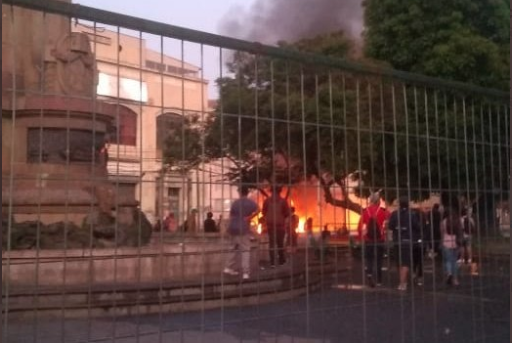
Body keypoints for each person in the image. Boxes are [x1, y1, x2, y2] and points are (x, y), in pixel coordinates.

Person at [223, 186, 259, 280]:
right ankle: (245, 273)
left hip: (233, 227)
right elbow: (258, 210)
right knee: (245, 250)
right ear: (247, 193)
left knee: (232, 248)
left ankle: (228, 267)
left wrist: (227, 228)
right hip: (243, 228)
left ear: (240, 193)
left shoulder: (235, 203)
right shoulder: (250, 202)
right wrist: (249, 217)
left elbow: (231, 216)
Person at [388, 196, 421, 291]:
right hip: (407, 240)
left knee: (399, 262)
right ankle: (402, 283)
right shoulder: (412, 214)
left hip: (397, 240)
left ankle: (403, 282)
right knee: (405, 262)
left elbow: (390, 226)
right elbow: (417, 226)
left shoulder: (394, 214)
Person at [357, 192, 389, 287]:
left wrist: (361, 237)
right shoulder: (383, 212)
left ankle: (370, 275)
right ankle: (379, 280)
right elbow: (390, 221)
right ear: (379, 201)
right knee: (379, 259)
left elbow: (359, 227)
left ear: (370, 201)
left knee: (369, 259)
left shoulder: (366, 212)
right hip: (380, 239)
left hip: (368, 239)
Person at [262, 185, 290, 267]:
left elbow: (264, 212)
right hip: (280, 226)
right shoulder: (283, 201)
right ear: (280, 191)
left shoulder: (267, 201)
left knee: (272, 244)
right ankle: (281, 261)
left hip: (270, 226)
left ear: (271, 191)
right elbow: (287, 214)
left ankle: (272, 263)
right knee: (280, 243)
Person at [441, 209, 463, 286]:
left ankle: (449, 273)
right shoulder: (458, 221)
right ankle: (455, 279)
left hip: (446, 242)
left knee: (448, 260)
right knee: (454, 260)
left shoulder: (444, 222)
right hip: (456, 241)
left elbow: (442, 232)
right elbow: (460, 231)